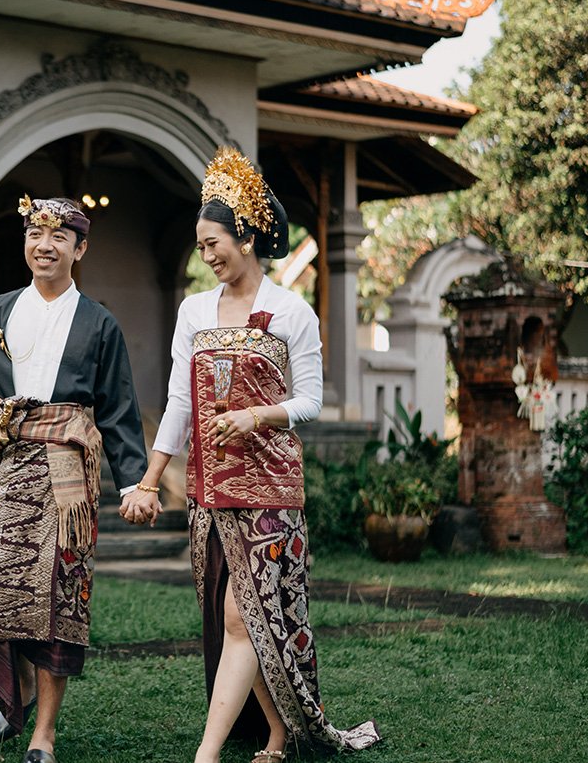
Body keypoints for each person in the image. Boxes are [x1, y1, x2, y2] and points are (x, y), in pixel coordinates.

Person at [120, 148, 380, 761]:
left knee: (248, 616)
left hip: (270, 488)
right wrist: (151, 479)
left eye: (213, 244)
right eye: (199, 247)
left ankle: (208, 753)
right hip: (209, 490)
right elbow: (179, 401)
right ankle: (277, 730)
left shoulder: (291, 311)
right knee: (236, 617)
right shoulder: (193, 310)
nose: (206, 256)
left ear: (246, 237)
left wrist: (258, 415)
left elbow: (310, 401)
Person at [0, 195, 149, 763]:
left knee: (59, 598)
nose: (45, 246)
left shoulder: (99, 323)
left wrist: (134, 483)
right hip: (3, 463)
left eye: (60, 236)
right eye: (36, 234)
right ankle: (17, 689)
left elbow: (119, 409)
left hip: (65, 473)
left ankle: (44, 734)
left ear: (79, 249)